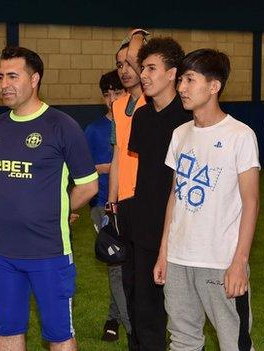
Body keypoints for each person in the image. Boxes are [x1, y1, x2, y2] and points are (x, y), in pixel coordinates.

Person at [0, 46, 98, 351]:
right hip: (3, 252)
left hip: (49, 252)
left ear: (34, 79)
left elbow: (88, 186)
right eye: (0, 76)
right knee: (8, 330)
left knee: (59, 335)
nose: (4, 84)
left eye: (12, 76)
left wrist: (57, 209)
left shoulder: (62, 126)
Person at [155, 49, 259, 351]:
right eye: (181, 80)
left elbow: (251, 202)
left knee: (234, 343)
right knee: (182, 340)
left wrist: (239, 262)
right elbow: (175, 197)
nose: (181, 88)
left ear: (214, 86)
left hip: (220, 261)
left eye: (190, 80)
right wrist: (164, 251)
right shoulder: (180, 134)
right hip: (178, 259)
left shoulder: (240, 135)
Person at [126, 37, 192, 350]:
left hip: (183, 229)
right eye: (143, 68)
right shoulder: (141, 116)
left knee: (184, 313)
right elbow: (146, 172)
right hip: (145, 227)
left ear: (172, 74)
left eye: (152, 68)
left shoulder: (191, 118)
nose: (144, 75)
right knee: (145, 310)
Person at [107, 29, 148, 350]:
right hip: (125, 202)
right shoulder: (120, 105)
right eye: (119, 64)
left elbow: (139, 56)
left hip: (149, 199)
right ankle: (135, 333)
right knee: (128, 276)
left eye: (129, 63)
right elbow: (119, 154)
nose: (124, 69)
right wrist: (111, 199)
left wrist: (137, 35)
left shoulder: (155, 100)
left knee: (150, 278)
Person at [85, 71, 130, 342]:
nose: (112, 99)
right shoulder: (93, 130)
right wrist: (106, 168)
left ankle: (113, 317)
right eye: (107, 94)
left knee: (128, 265)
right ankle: (131, 325)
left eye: (117, 93)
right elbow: (80, 169)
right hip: (103, 205)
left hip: (133, 205)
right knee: (116, 264)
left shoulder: (135, 121)